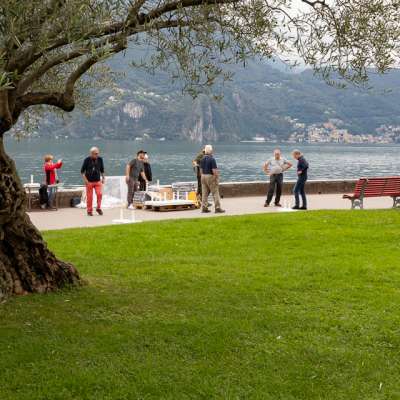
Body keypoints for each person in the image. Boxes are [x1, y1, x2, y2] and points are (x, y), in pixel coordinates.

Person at [200, 144, 225, 213]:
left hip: (203, 176)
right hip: (210, 176)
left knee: (204, 193)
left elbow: (201, 170)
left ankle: (204, 208)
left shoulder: (202, 159)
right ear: (211, 151)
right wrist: (216, 178)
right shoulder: (212, 159)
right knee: (215, 193)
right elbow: (214, 171)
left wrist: (202, 177)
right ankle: (217, 208)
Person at [81, 147, 105, 216]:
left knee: (99, 194)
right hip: (89, 182)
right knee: (90, 197)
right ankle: (89, 210)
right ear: (91, 153)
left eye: (98, 153)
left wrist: (103, 178)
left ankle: (98, 208)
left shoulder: (100, 159)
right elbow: (82, 171)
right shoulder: (87, 160)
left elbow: (102, 170)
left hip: (97, 181)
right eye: (95, 154)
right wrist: (86, 180)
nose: (97, 155)